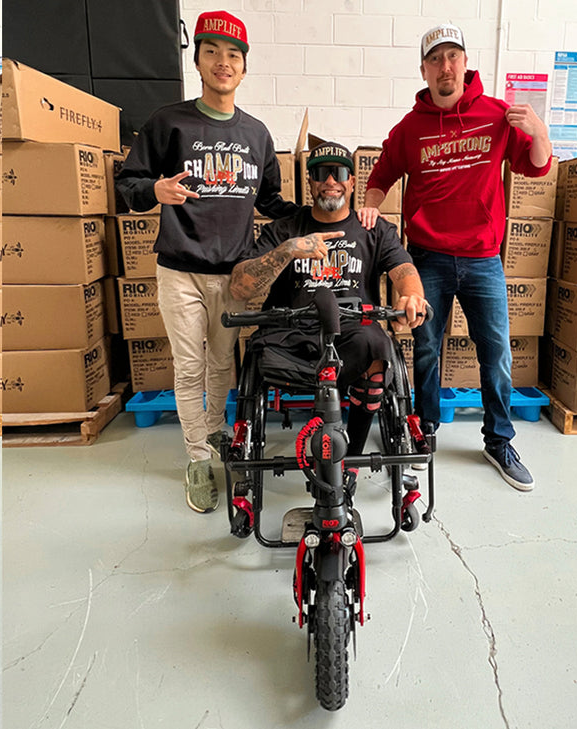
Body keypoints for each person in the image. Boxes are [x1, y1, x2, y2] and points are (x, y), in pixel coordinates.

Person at [115, 10, 303, 513]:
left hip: (234, 274)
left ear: (244, 69)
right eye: (212, 52)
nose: (223, 62)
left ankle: (219, 435)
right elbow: (124, 184)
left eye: (234, 55)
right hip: (179, 269)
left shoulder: (257, 135)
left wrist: (316, 217)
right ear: (197, 60)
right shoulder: (168, 123)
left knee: (224, 363)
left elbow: (270, 203)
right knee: (190, 364)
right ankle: (197, 456)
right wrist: (154, 189)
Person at [357, 22, 552, 492]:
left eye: (453, 57)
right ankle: (424, 432)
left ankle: (499, 440)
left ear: (465, 62)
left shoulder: (496, 115)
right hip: (427, 259)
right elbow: (381, 175)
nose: (445, 67)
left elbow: (539, 164)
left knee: (497, 353)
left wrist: (539, 130)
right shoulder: (410, 129)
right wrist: (368, 203)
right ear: (424, 69)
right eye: (435, 60)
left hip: (484, 258)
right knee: (425, 349)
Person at [230, 142, 428, 453]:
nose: (331, 181)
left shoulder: (372, 230)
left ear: (352, 181)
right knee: (261, 353)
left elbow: (403, 269)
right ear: (310, 181)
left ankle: (351, 455)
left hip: (352, 334)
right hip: (289, 333)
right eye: (322, 173)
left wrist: (413, 296)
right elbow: (240, 288)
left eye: (339, 173)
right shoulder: (284, 230)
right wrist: (288, 251)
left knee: (378, 343)